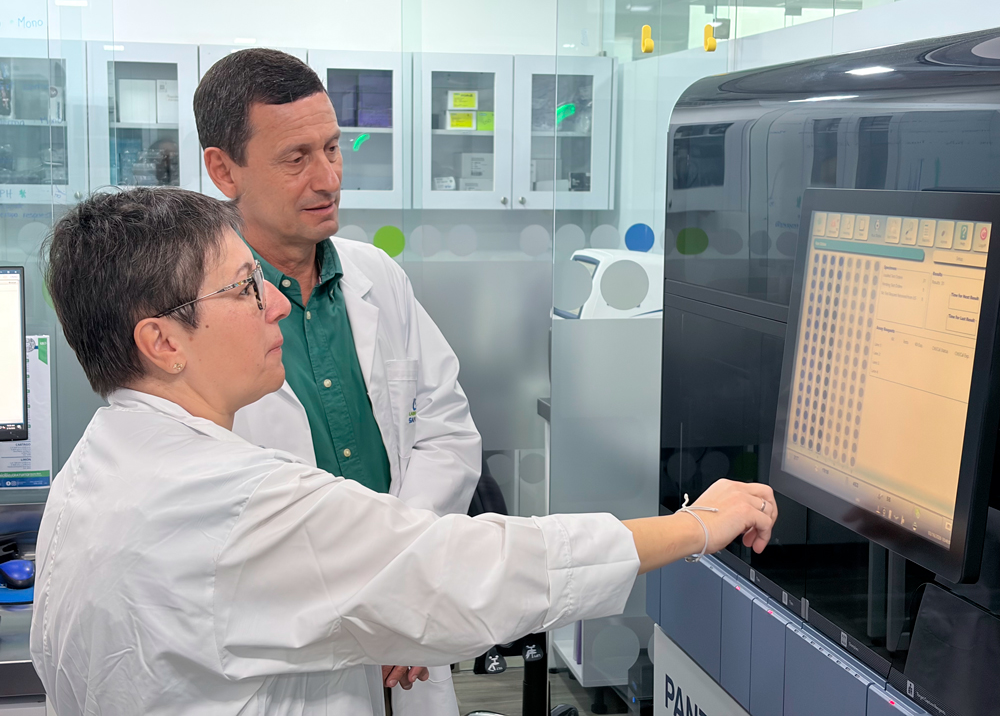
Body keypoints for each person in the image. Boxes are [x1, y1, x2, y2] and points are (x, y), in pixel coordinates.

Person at [30, 188, 778, 716]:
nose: (278, 304)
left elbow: (441, 445)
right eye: (246, 288)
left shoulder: (95, 469)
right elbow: (474, 570)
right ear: (162, 341)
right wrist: (694, 526)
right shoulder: (229, 504)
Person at [194, 47, 479, 715]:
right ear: (224, 169)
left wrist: (404, 584)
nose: (328, 178)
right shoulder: (195, 312)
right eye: (296, 158)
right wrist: (362, 605)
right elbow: (207, 507)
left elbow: (446, 431)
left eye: (331, 148)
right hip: (286, 645)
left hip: (405, 625)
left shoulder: (378, 276)